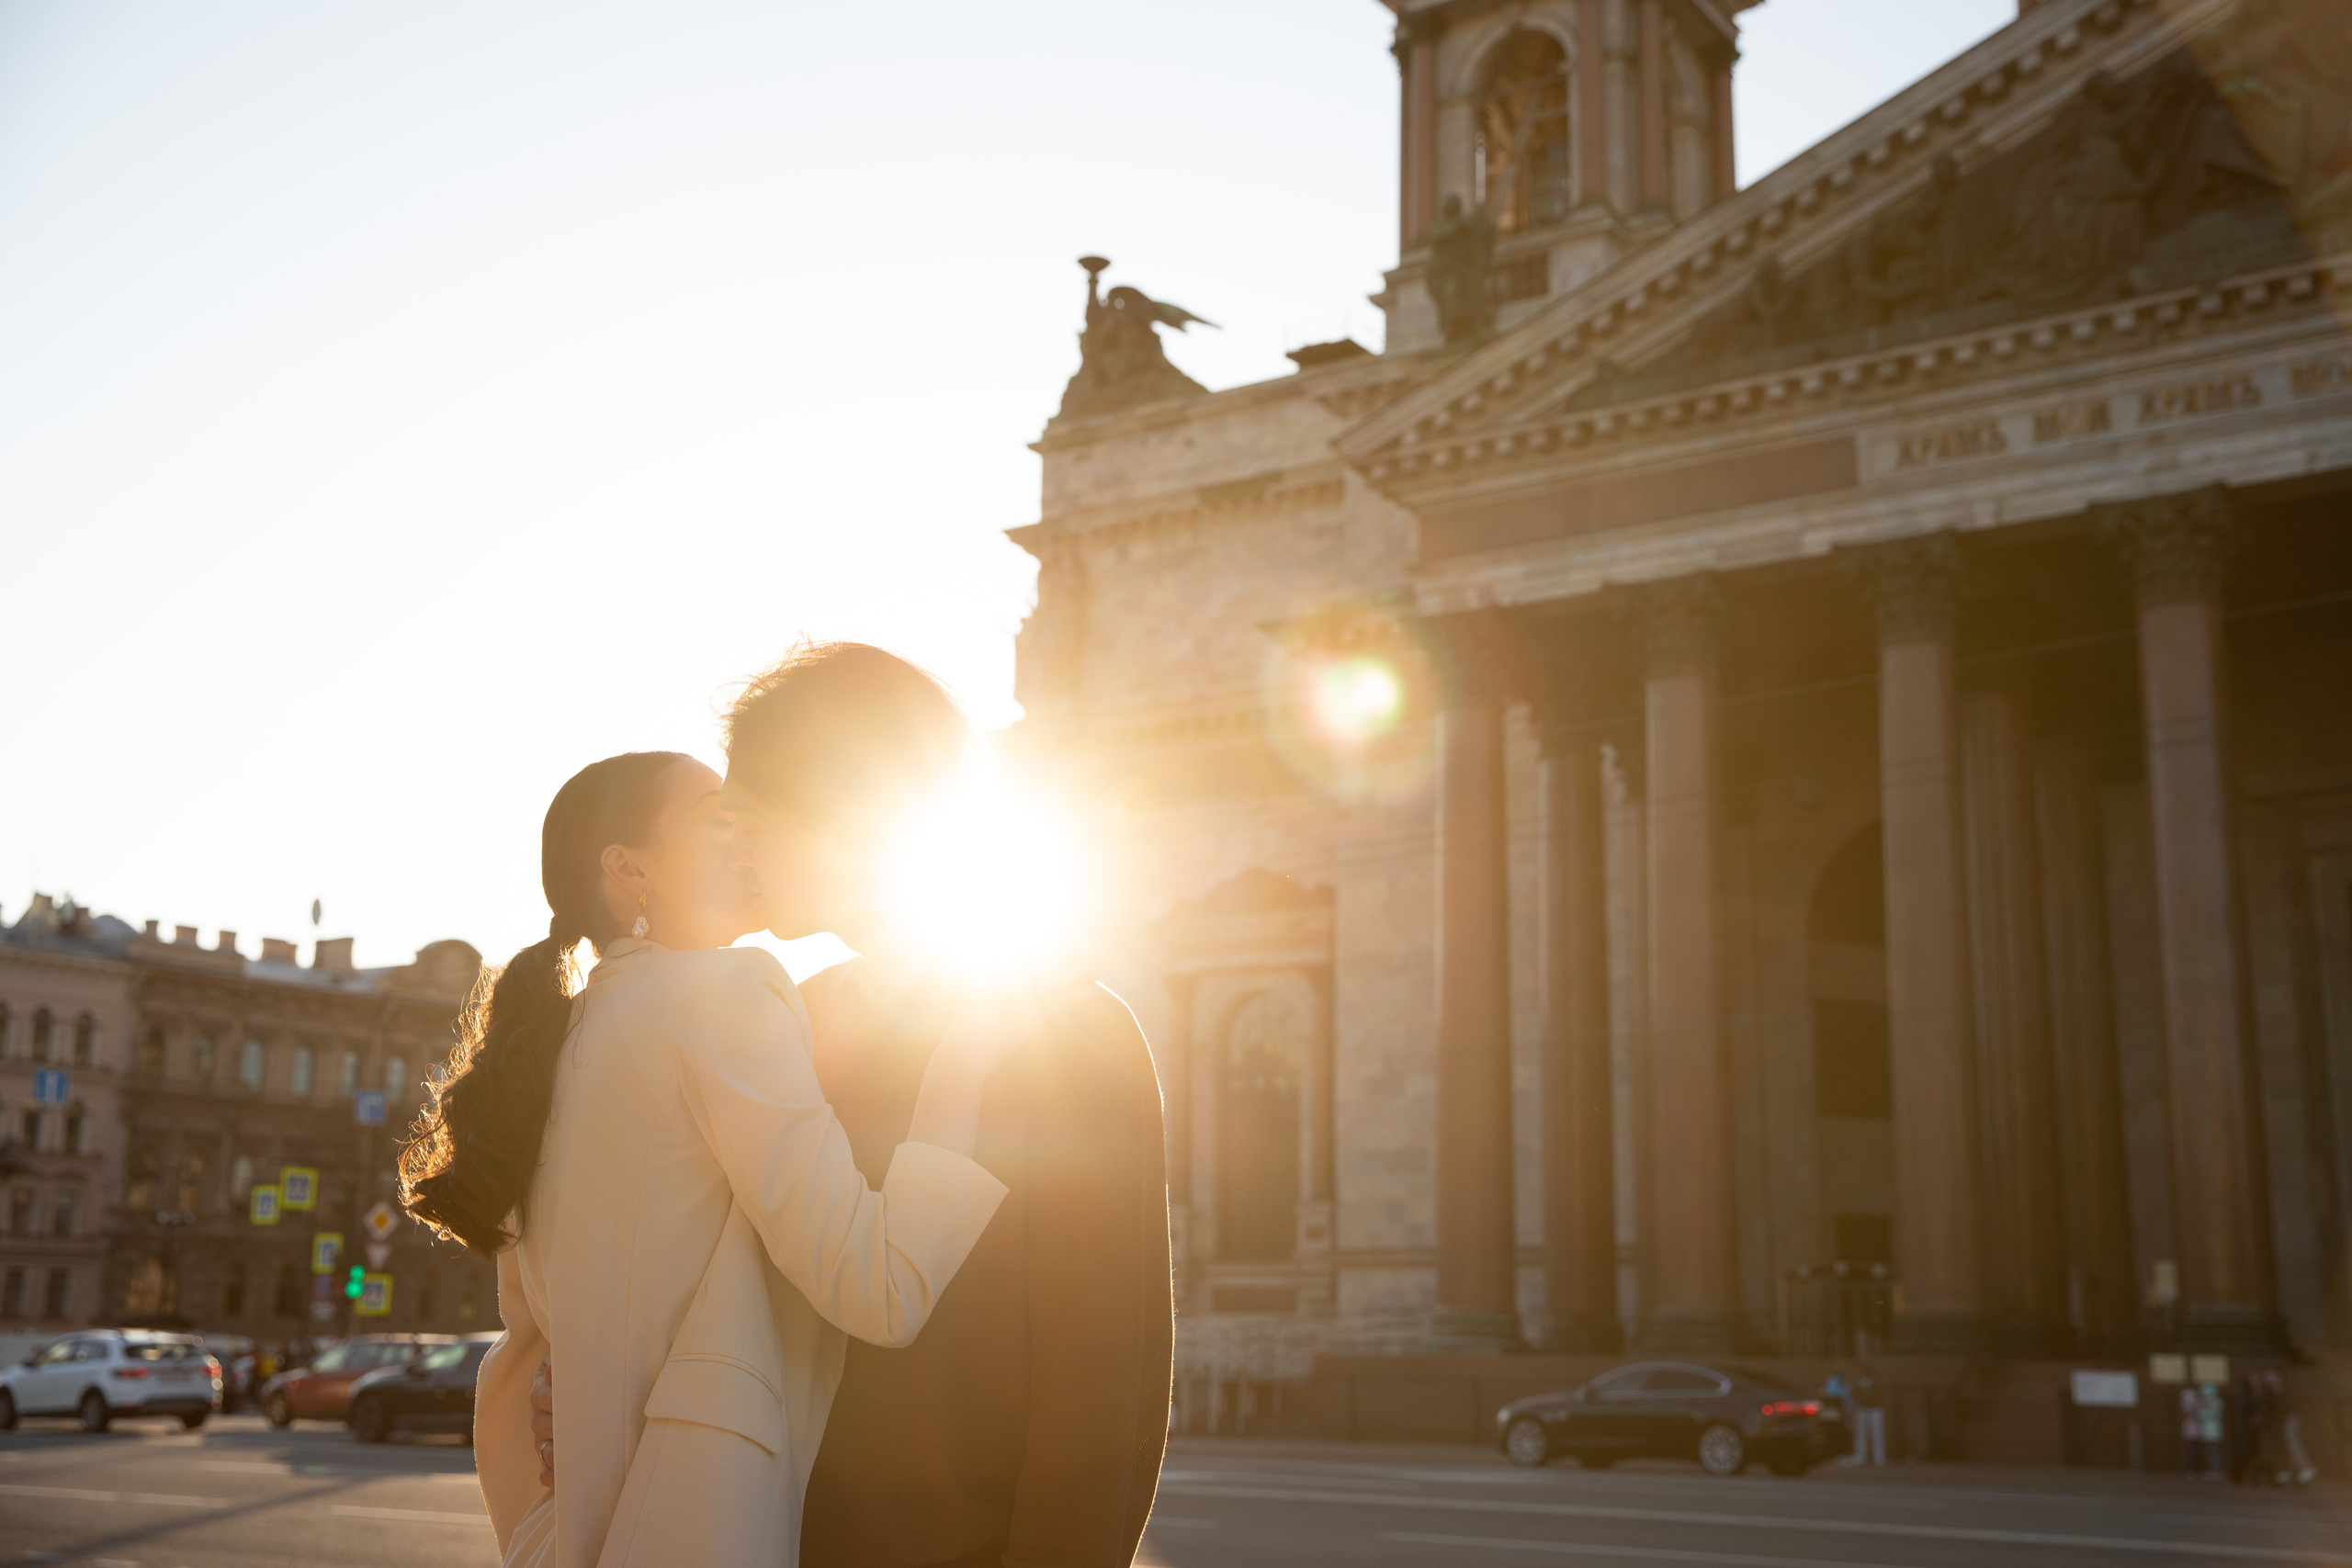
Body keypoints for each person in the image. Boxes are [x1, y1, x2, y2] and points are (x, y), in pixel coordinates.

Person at [532, 644, 1174, 1567]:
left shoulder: (1066, 1027)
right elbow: (693, 1273)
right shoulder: (794, 1019)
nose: (735, 846)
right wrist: (591, 1376)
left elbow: (1100, 1401)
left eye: (748, 815)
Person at [401, 750, 1022, 1567]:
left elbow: (538, 1348)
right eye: (713, 813)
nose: (744, 832)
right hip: (701, 1519)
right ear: (631, 869)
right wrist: (972, 1049)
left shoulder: (553, 1042)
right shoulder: (725, 990)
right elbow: (882, 1285)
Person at [1842, 1365, 1886, 1467]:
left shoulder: (1877, 1381)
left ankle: (1879, 1456)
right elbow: (1855, 1393)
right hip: (1862, 1409)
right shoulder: (1860, 1381)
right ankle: (1861, 1454)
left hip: (1875, 1409)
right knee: (1861, 1433)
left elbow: (1881, 1393)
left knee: (1877, 1432)